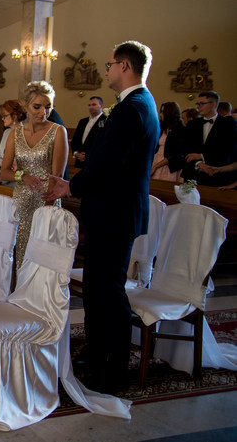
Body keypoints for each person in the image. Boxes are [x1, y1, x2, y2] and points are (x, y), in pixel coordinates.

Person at [44, 40, 160, 394]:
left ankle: (114, 368)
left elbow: (108, 162)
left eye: (110, 64)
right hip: (111, 211)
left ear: (125, 66)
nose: (106, 70)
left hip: (115, 213)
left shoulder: (132, 108)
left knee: (108, 291)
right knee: (98, 289)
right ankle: (97, 354)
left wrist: (71, 186)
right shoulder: (137, 104)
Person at [0, 81, 68, 275]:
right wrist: (23, 176)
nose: (43, 112)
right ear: (26, 105)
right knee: (19, 252)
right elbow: (4, 172)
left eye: (48, 107)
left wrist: (47, 210)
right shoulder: (15, 134)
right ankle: (16, 291)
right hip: (21, 202)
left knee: (40, 258)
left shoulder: (58, 132)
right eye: (37, 107)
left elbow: (57, 176)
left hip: (46, 200)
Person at [181, 91, 237, 187]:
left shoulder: (228, 124)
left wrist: (202, 156)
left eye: (202, 104)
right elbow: (185, 148)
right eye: (197, 104)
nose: (198, 107)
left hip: (218, 176)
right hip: (193, 175)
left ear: (213, 104)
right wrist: (199, 163)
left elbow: (228, 149)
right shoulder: (192, 124)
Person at [0, 99, 26, 185]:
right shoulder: (6, 133)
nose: (2, 119)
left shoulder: (26, 134)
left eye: (5, 116)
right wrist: (4, 166)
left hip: (17, 182)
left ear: (15, 116)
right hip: (2, 177)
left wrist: (12, 168)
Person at [151, 101, 184, 182]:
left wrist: (156, 166)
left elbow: (176, 154)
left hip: (168, 164)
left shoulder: (179, 130)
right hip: (157, 160)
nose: (161, 114)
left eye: (163, 112)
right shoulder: (163, 128)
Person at [70, 96, 106, 169]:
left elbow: (103, 142)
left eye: (94, 105)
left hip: (96, 162)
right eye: (89, 105)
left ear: (101, 106)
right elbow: (75, 140)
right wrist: (76, 153)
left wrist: (89, 155)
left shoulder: (106, 120)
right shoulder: (83, 121)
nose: (91, 107)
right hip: (80, 161)